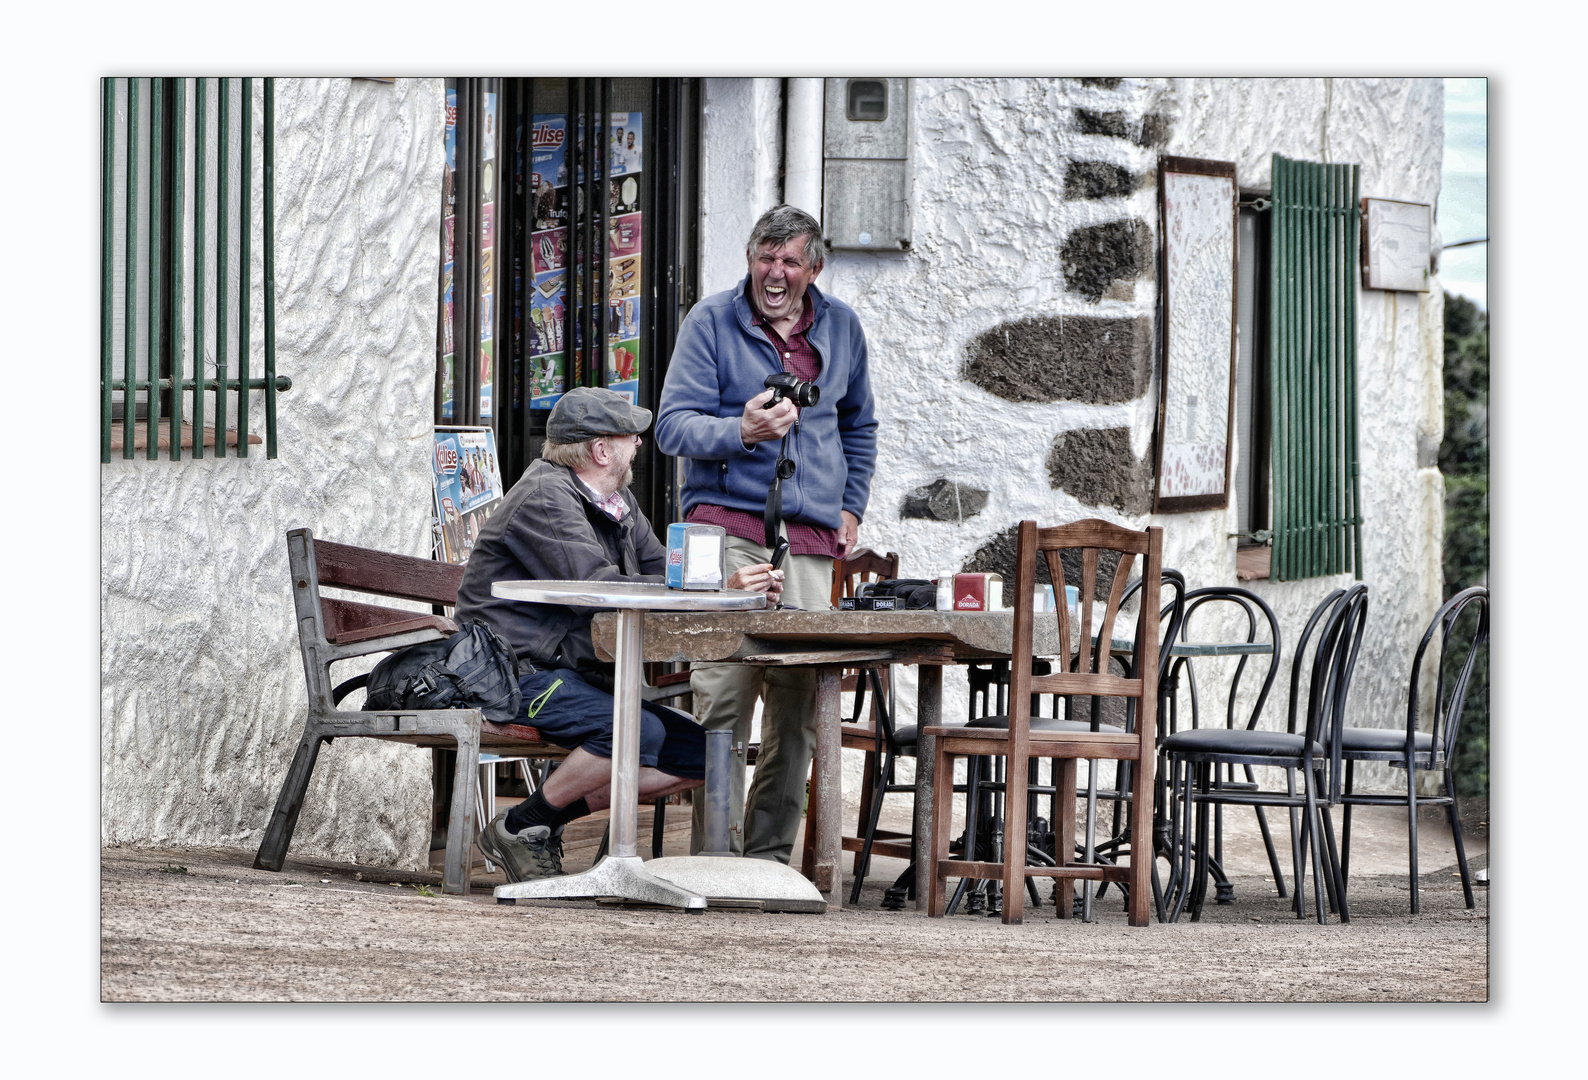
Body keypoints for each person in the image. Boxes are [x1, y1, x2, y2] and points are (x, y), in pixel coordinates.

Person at [454, 387, 783, 881]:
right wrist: (719, 585)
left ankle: (529, 823)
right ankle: (524, 825)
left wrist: (731, 589)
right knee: (635, 731)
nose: (640, 446)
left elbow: (665, 573)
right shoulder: (545, 495)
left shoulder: (616, 501)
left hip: (571, 673)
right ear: (601, 449)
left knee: (704, 752)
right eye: (632, 436)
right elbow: (596, 588)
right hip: (512, 673)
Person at [655, 203, 877, 865]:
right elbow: (671, 427)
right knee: (722, 695)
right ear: (750, 259)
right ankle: (716, 865)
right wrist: (739, 432)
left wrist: (852, 507)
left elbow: (858, 427)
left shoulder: (842, 329)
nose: (773, 273)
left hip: (810, 540)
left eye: (787, 261)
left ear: (812, 269)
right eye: (763, 258)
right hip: (725, 528)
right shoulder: (711, 321)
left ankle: (771, 862)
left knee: (798, 704)